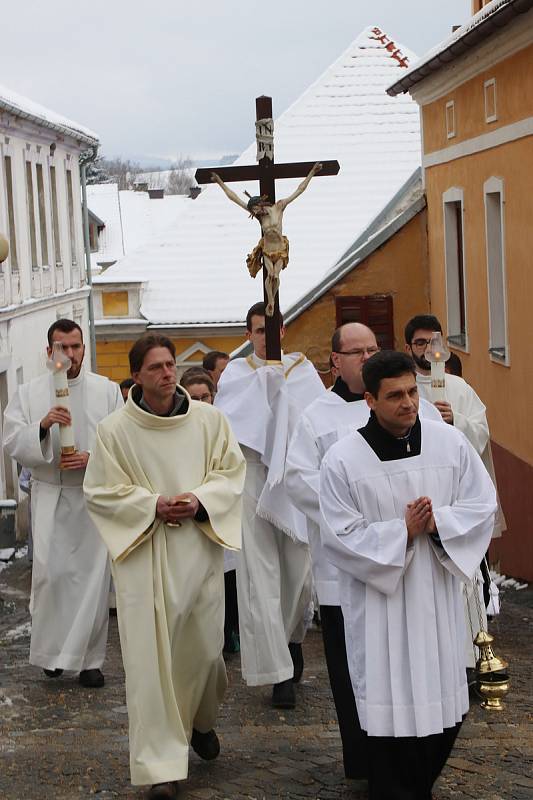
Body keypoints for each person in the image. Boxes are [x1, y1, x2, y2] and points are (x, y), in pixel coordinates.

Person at [319, 351, 497, 800]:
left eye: (412, 392)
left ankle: (416, 784)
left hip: (435, 597)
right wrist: (402, 531)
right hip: (381, 603)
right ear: (370, 400)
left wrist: (439, 525)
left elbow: (481, 504)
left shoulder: (448, 443)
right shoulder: (343, 459)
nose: (409, 403)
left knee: (445, 708)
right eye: (395, 395)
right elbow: (339, 535)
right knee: (387, 712)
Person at [83, 334, 245, 800]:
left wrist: (199, 500)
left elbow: (231, 474)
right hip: (144, 559)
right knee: (150, 665)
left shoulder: (210, 421)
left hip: (197, 550)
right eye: (154, 367)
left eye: (170, 364)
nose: (166, 373)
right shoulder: (114, 431)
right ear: (136, 375)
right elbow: (100, 491)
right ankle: (160, 767)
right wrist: (151, 505)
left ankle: (201, 719)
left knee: (205, 653)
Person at [286, 324, 442, 781]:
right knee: (353, 666)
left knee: (408, 661)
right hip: (346, 566)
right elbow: (298, 480)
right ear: (336, 360)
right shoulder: (316, 416)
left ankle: (412, 749)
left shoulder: (415, 404)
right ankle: (363, 757)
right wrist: (361, 511)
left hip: (412, 559)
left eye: (374, 348)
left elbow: (437, 462)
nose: (367, 356)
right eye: (357, 351)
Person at [215, 301, 325, 708]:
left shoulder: (302, 370)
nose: (268, 337)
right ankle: (277, 672)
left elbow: (312, 416)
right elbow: (231, 420)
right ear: (249, 335)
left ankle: (293, 637)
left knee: (299, 571)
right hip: (254, 473)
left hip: (293, 473)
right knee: (258, 574)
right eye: (260, 331)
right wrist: (265, 386)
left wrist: (282, 390)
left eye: (274, 329)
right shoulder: (236, 374)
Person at [3, 319, 123, 687]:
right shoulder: (28, 392)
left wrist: (93, 459)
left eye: (76, 346)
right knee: (52, 577)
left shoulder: (107, 391)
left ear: (84, 348)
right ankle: (53, 655)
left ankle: (90, 661)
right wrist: (41, 426)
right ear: (49, 351)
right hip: (50, 492)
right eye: (62, 347)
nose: (70, 355)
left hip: (90, 494)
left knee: (91, 579)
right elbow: (11, 440)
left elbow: (123, 443)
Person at [404, 314, 506, 670]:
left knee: (470, 577)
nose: (428, 349)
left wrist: (456, 423)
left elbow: (481, 430)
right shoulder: (403, 388)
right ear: (408, 347)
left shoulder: (458, 388)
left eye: (434, 341)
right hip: (421, 502)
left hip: (457, 501)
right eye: (420, 343)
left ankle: (475, 655)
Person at [180, 366, 240, 653]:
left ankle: (227, 634)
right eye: (194, 398)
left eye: (206, 396)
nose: (202, 403)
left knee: (227, 581)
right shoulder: (175, 431)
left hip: (217, 514)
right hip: (184, 522)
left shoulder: (225, 427)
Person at [211, 163, 322, 315]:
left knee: (276, 276)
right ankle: (271, 302)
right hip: (268, 249)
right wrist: (219, 182)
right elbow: (235, 199)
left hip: (280, 248)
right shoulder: (259, 217)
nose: (256, 213)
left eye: (256, 210)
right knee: (270, 275)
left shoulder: (279, 207)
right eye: (254, 212)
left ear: (261, 204)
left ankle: (272, 302)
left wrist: (312, 172)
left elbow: (299, 190)